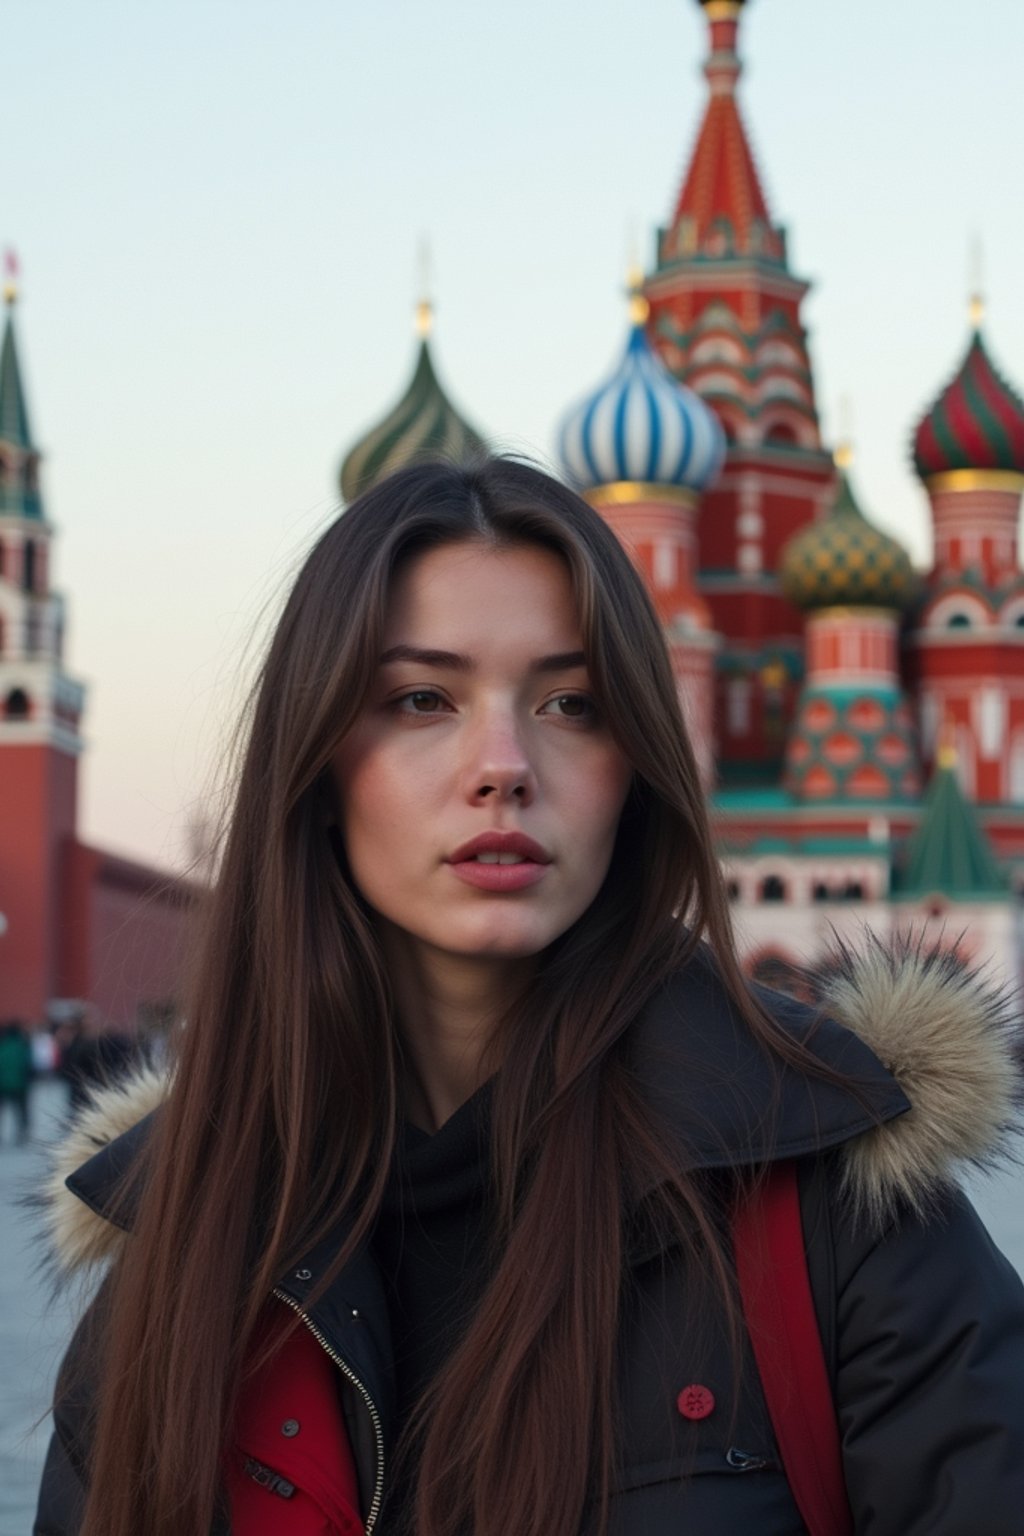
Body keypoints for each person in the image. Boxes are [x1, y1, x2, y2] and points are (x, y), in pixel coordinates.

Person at [34, 457, 1024, 1536]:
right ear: (316, 769)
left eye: (570, 703)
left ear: (635, 768)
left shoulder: (837, 1200)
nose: (502, 765)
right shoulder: (193, 1237)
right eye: (421, 698)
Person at [0, 1018, 33, 1144]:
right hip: (20, 1085)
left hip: (2, 1085)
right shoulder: (22, 1046)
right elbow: (28, 1064)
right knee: (21, 1111)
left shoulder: (2, 1046)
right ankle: (22, 1132)